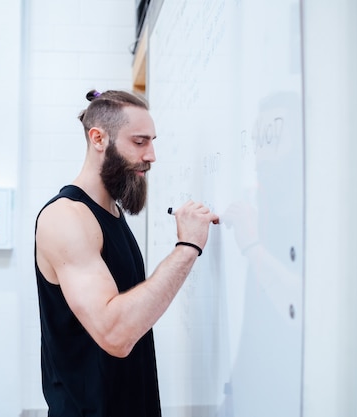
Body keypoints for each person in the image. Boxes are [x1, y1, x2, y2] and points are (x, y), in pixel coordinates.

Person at [34, 89, 219, 417]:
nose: (151, 155)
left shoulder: (112, 214)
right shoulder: (67, 217)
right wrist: (188, 248)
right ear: (98, 138)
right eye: (139, 142)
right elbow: (114, 333)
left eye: (152, 141)